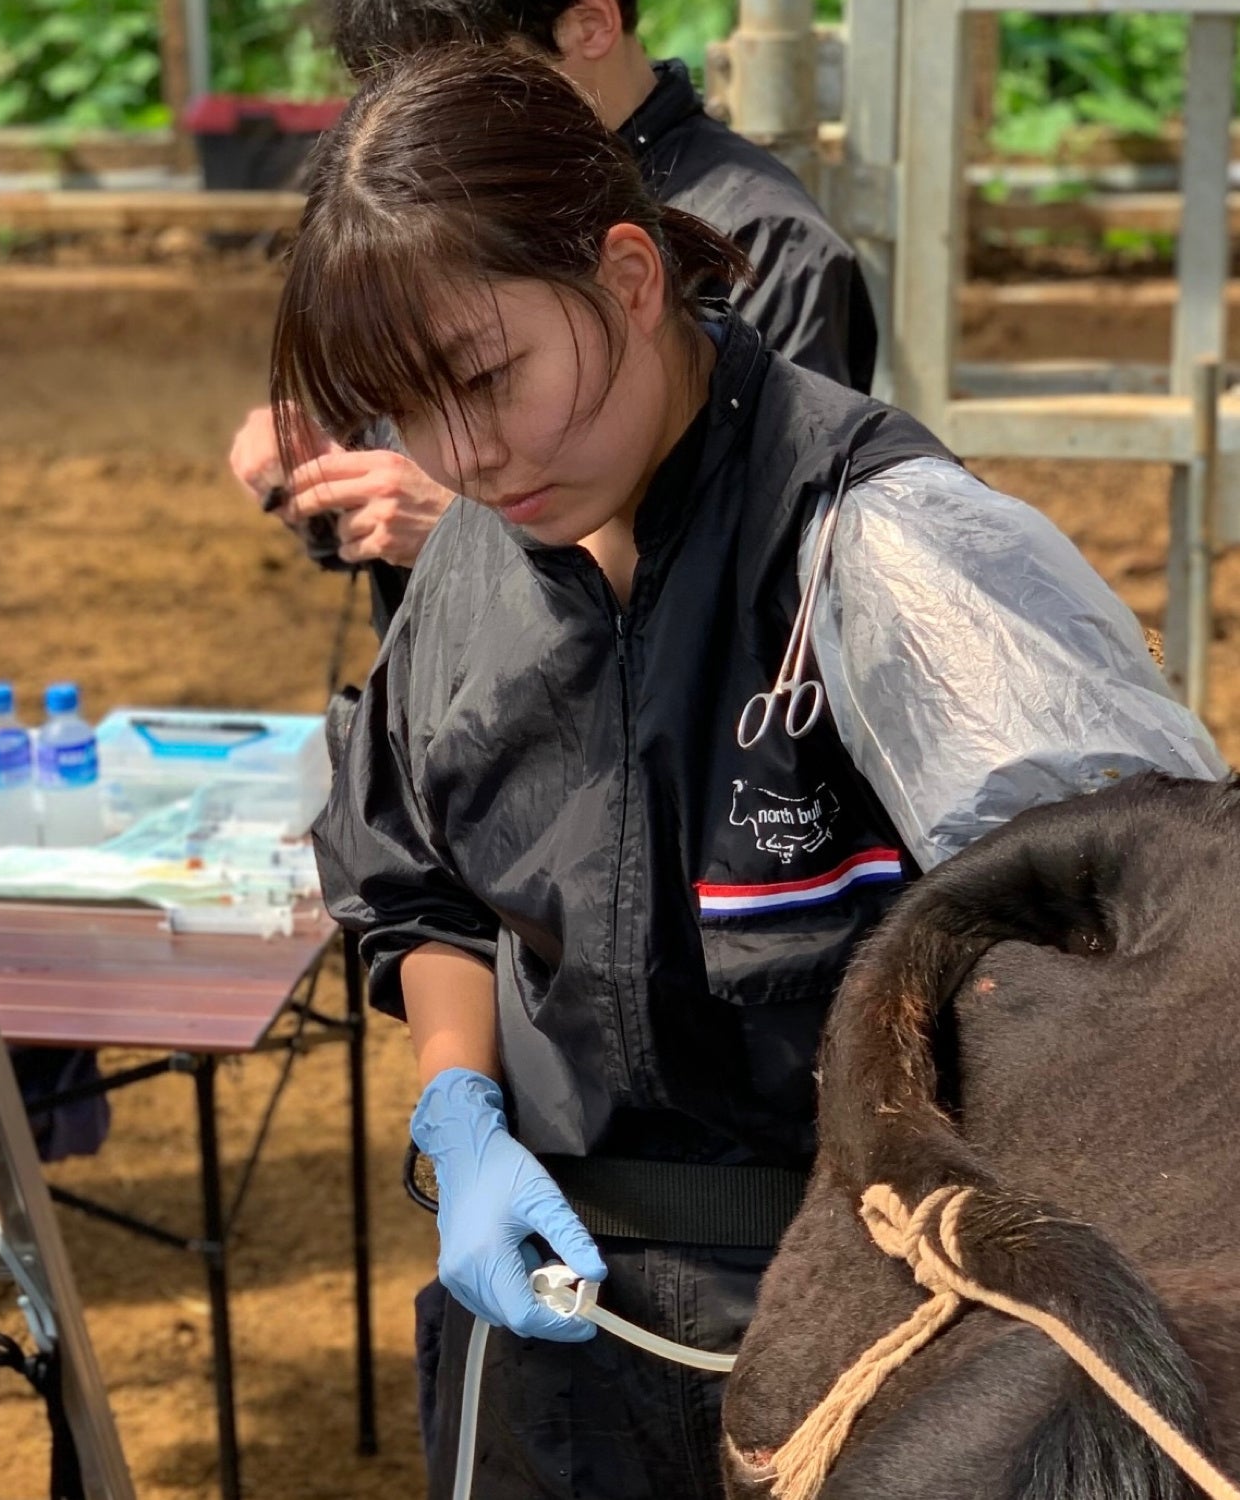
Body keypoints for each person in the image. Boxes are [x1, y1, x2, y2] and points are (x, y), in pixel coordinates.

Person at [282, 50, 1222, 1499]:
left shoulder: (886, 554)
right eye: (404, 416)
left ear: (631, 273)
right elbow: (423, 888)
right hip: (551, 1317)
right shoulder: (471, 568)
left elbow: (1143, 954)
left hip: (869, 1341)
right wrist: (458, 1113)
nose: (463, 459)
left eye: (486, 379)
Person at [230, 0, 877, 615]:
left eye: (463, 81)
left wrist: (479, 539)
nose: (420, 126)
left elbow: (784, 575)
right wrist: (321, 476)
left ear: (589, 24)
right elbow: (389, 474)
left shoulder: (769, 241)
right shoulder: (420, 208)